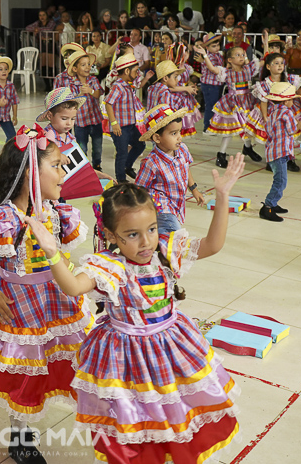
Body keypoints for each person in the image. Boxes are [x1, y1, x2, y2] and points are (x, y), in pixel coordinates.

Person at [24, 157, 245, 464]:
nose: (146, 242)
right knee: (133, 419)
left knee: (172, 410)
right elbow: (73, 287)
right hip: (125, 356)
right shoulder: (110, 265)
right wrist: (52, 253)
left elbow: (213, 244)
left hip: (169, 348)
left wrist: (222, 196)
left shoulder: (166, 250)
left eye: (151, 229)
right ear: (111, 236)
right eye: (132, 234)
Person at [0, 125, 90, 464]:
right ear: (31, 172)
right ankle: (20, 437)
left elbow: (60, 257)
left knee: (53, 364)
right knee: (24, 372)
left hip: (54, 303)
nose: (63, 174)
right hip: (18, 309)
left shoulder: (58, 212)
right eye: (56, 166)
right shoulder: (1, 218)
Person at [135, 104, 204, 234]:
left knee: (165, 238)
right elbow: (138, 189)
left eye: (179, 132)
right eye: (173, 133)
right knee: (175, 235)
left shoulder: (182, 149)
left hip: (175, 204)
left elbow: (186, 168)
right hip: (160, 207)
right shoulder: (151, 163)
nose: (179, 137)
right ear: (157, 138)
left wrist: (194, 189)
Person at [197, 44, 263, 167]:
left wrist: (266, 45)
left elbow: (263, 61)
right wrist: (205, 55)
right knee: (230, 129)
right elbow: (213, 69)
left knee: (247, 127)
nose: (241, 57)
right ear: (230, 60)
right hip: (233, 104)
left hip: (248, 101)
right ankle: (221, 154)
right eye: (237, 55)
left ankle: (247, 148)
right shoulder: (226, 72)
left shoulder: (249, 69)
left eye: (243, 54)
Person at [245, 52, 301, 172]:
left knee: (290, 136)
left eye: (282, 63)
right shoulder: (265, 84)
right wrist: (265, 117)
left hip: (290, 111)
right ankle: (271, 160)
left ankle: (290, 159)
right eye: (276, 63)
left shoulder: (290, 79)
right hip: (272, 113)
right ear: (268, 66)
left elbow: (300, 92)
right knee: (272, 138)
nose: (280, 65)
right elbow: (264, 101)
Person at [259, 83, 301, 222]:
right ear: (286, 101)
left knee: (279, 179)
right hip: (280, 152)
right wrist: (300, 125)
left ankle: (273, 204)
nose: (293, 102)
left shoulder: (273, 112)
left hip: (273, 151)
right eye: (292, 99)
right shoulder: (287, 112)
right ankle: (268, 206)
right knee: (281, 181)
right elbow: (292, 130)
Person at [104, 53, 148, 182]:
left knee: (140, 145)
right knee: (122, 153)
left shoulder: (128, 85)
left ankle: (127, 167)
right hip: (120, 127)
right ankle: (121, 180)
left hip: (130, 125)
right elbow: (108, 103)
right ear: (127, 71)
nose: (137, 73)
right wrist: (114, 123)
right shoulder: (118, 87)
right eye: (135, 71)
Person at [66, 49, 105, 170]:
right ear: (75, 69)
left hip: (95, 120)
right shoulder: (72, 84)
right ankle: (84, 168)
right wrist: (80, 94)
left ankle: (97, 165)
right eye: (83, 65)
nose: (87, 67)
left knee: (97, 147)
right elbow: (71, 102)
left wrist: (91, 91)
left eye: (88, 64)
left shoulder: (93, 80)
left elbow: (98, 94)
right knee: (82, 147)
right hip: (81, 122)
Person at [195, 33, 225, 133]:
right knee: (210, 106)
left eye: (217, 45)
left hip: (216, 84)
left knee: (215, 105)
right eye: (213, 46)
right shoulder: (209, 56)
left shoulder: (218, 55)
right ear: (207, 47)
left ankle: (213, 125)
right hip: (210, 85)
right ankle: (207, 127)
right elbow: (214, 69)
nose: (217, 48)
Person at [26, 9, 56, 74]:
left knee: (50, 62)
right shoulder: (37, 23)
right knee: (43, 62)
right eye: (40, 15)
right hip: (41, 43)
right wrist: (35, 29)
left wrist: (38, 29)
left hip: (50, 42)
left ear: (47, 16)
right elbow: (27, 28)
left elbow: (49, 29)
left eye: (43, 15)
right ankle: (45, 79)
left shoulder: (51, 22)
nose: (42, 17)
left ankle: (53, 77)